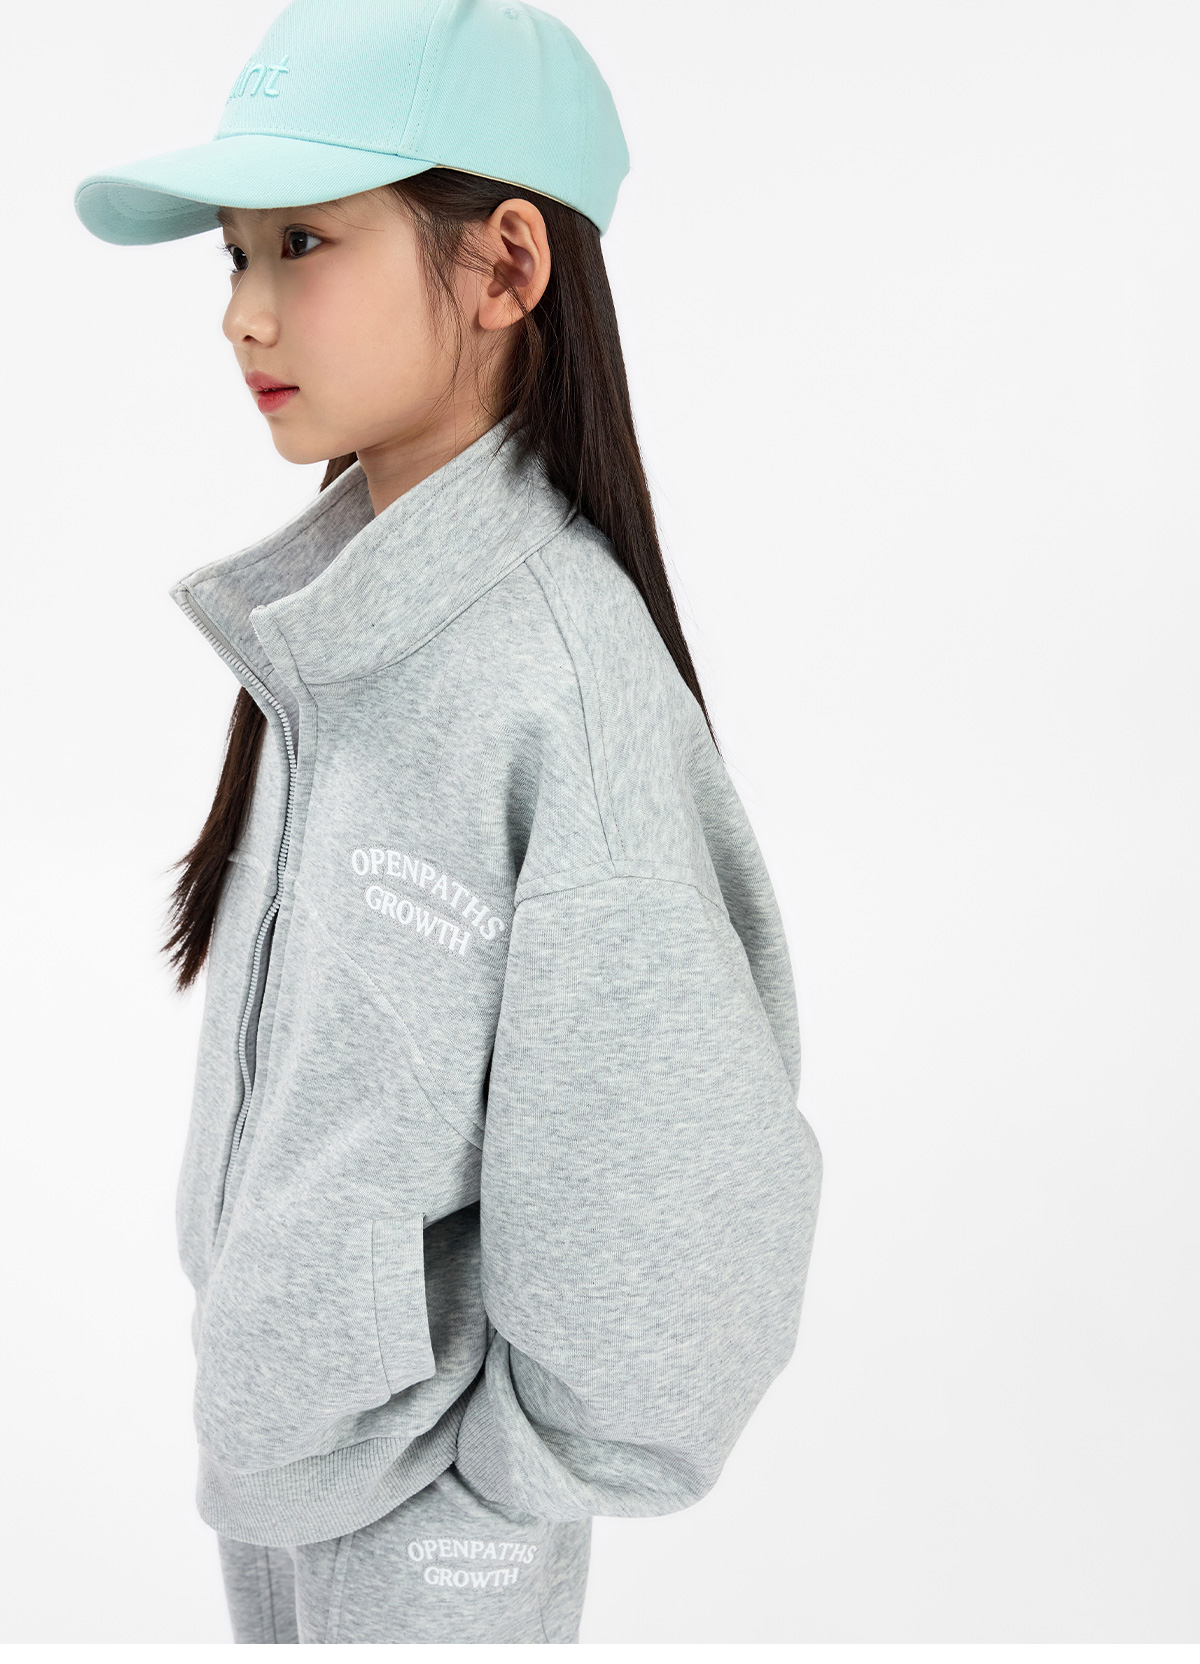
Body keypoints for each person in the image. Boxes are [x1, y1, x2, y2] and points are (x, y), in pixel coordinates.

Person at [74, 0, 823, 1644]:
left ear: (505, 266)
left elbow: (681, 1187)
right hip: (293, 1476)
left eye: (304, 244)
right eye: (235, 255)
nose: (244, 311)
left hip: (433, 1524)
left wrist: (497, 1484)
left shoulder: (558, 686)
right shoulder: (344, 640)